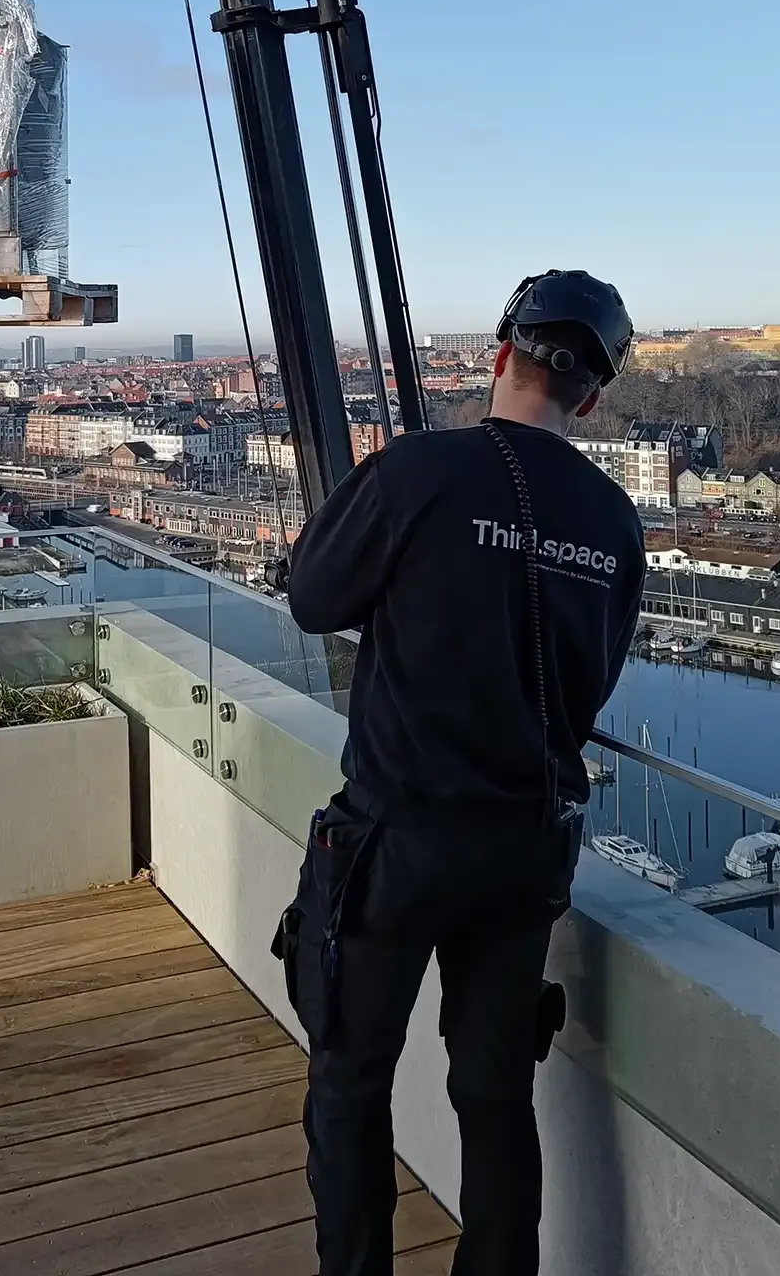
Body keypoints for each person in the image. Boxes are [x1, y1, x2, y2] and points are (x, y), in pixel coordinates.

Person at [275, 269, 646, 1276]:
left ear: (498, 356)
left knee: (351, 1082)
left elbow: (313, 598)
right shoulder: (615, 524)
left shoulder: (417, 473)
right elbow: (591, 682)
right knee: (493, 1097)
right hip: (525, 854)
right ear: (592, 396)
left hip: (398, 843)